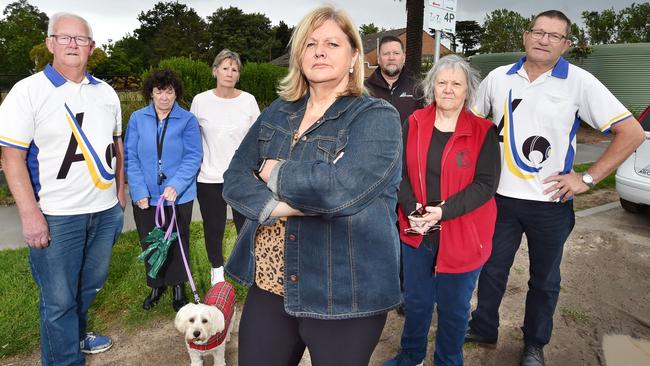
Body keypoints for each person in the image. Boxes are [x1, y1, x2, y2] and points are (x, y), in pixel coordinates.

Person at [222, 5, 402, 366]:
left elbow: (340, 190)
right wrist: (282, 205)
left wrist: (273, 171)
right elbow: (234, 178)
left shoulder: (377, 117)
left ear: (354, 56)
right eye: (310, 43)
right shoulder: (278, 111)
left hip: (343, 290)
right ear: (300, 56)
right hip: (271, 282)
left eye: (332, 43)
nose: (319, 50)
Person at [465, 10, 645, 366]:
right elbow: (471, 124)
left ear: (565, 44)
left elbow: (633, 133)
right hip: (499, 200)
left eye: (553, 35)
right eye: (538, 31)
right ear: (525, 36)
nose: (543, 39)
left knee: (544, 280)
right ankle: (484, 327)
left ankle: (534, 344)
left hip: (550, 203)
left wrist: (587, 178)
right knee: (490, 271)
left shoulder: (580, 82)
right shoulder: (499, 78)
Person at [0, 12, 125, 364]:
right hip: (56, 216)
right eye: (64, 37)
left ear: (92, 47)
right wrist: (30, 215)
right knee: (58, 301)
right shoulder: (28, 92)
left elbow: (117, 146)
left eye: (80, 39)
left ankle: (75, 337)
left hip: (103, 213)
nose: (73, 44)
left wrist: (120, 194)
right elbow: (11, 158)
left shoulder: (108, 93)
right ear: (50, 43)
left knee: (87, 287)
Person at [385, 55, 500, 366]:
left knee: (454, 308)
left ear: (467, 90)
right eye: (442, 82)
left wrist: (442, 212)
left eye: (456, 84)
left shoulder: (483, 131)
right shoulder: (415, 122)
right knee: (417, 302)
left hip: (462, 233)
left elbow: (486, 185)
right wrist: (411, 209)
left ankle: (449, 360)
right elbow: (401, 172)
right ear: (431, 86)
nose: (448, 89)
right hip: (417, 231)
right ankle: (411, 357)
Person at [124, 69, 202, 312]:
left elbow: (193, 156)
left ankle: (179, 287)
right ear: (151, 93)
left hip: (178, 196)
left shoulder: (187, 120)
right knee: (151, 242)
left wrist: (176, 185)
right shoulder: (137, 118)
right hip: (147, 197)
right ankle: (156, 285)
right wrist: (138, 191)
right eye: (159, 91)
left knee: (177, 242)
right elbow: (131, 157)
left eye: (169, 91)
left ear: (176, 93)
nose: (164, 97)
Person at [190, 49, 260, 286]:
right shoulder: (200, 101)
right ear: (215, 71)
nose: (229, 73)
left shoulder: (248, 101)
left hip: (242, 177)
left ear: (238, 75)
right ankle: (217, 271)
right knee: (214, 227)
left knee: (246, 226)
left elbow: (257, 138)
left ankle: (247, 269)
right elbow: (192, 138)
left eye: (234, 69)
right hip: (209, 177)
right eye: (225, 68)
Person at [364, 35, 422, 123]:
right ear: (379, 59)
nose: (391, 58)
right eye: (386, 54)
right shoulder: (363, 90)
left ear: (404, 58)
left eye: (396, 53)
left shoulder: (418, 89)